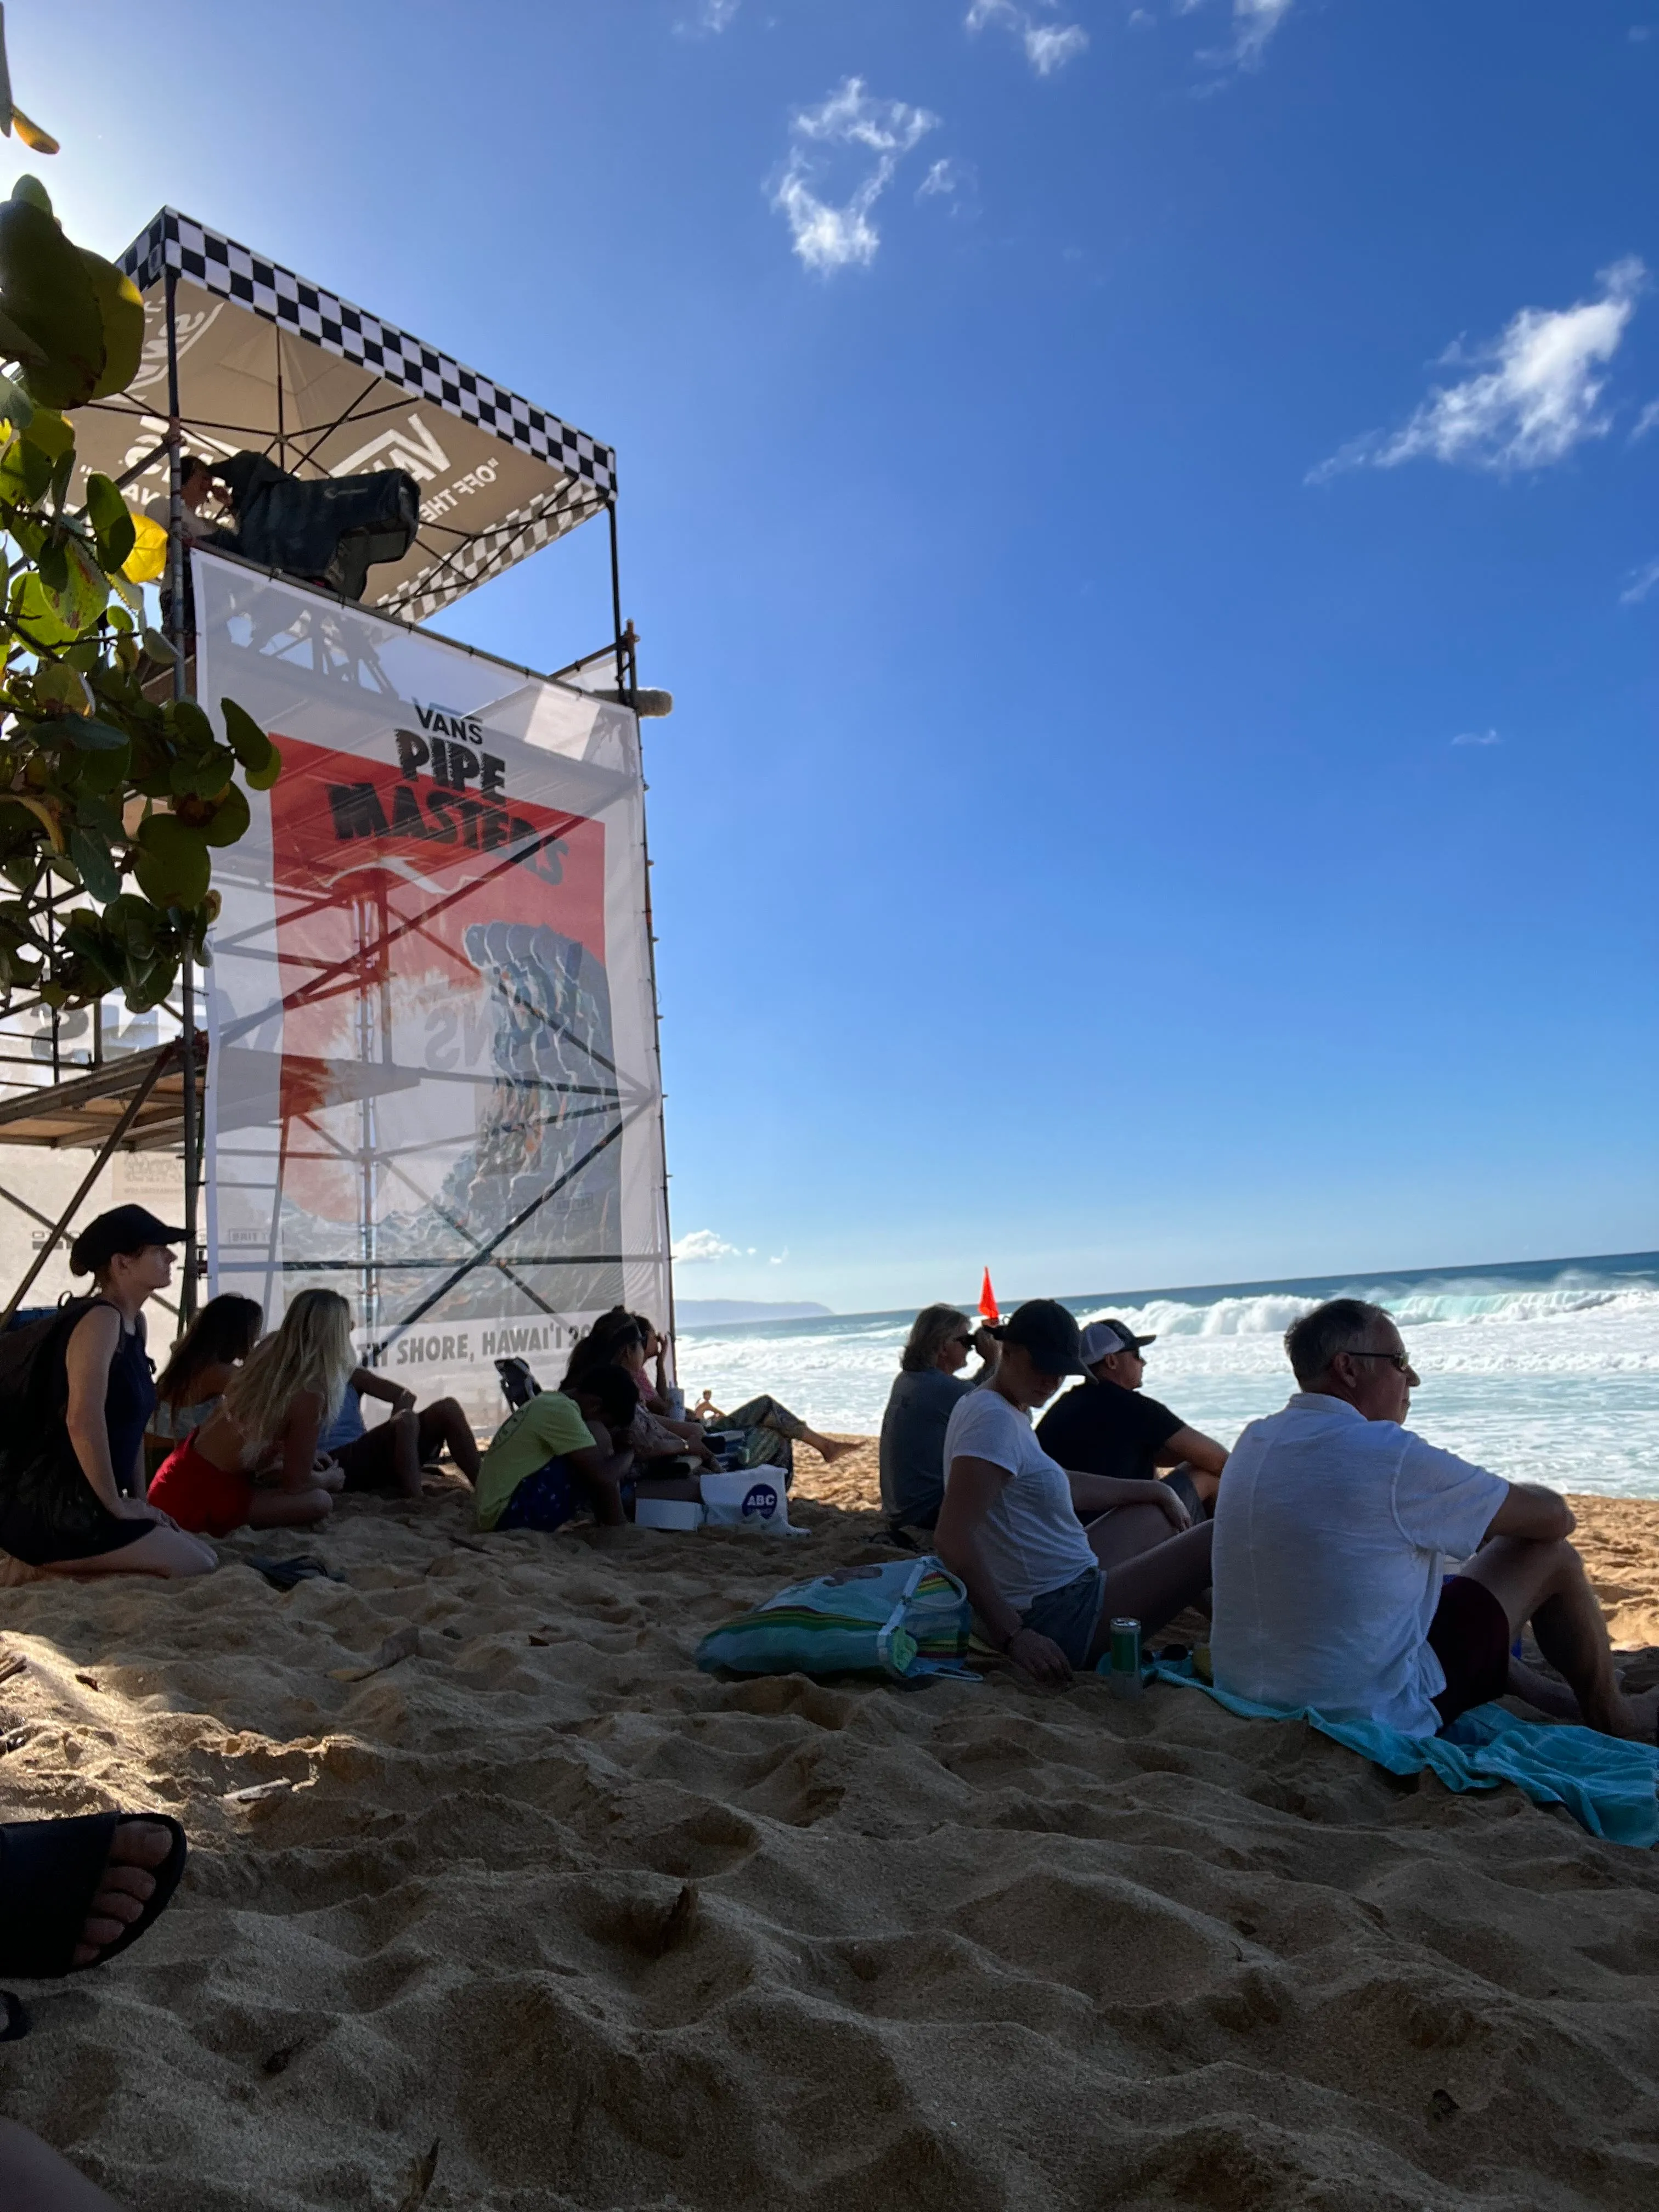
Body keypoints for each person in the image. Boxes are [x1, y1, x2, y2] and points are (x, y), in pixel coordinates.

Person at [1210, 1298, 1659, 1741]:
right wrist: (1501, 1515)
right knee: (1549, 1555)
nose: (1414, 1378)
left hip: (1248, 1696)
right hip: (1367, 1713)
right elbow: (1556, 1519)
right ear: (1348, 1368)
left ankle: (1553, 1696)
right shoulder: (1390, 1455)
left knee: (1429, 1584)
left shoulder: (1255, 1440)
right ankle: (1615, 1716)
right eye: (1400, 1361)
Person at [935, 1300, 1216, 1686]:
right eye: (1043, 1366)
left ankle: (1228, 1627)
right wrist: (1015, 1636)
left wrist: (1150, 1489)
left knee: (1169, 1504)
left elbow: (1059, 1484)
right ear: (1008, 1351)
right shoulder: (992, 1421)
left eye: (1062, 1372)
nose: (1051, 1382)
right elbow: (952, 1538)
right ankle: (1256, 1640)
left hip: (1068, 1581)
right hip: (1059, 1616)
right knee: (1215, 1536)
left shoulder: (1003, 1405)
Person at [0, 1206, 216, 1578]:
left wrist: (139, 1502)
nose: (172, 1256)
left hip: (95, 1501)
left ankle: (55, 1567)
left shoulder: (135, 1323)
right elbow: (82, 1420)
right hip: (59, 1507)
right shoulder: (100, 1320)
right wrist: (117, 1505)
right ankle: (36, 1566)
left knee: (204, 1557)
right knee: (193, 1564)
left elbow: (131, 1427)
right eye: (158, 1249)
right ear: (122, 1263)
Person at [148, 1289, 351, 1535]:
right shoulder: (310, 1391)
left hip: (177, 1474)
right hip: (201, 1495)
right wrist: (329, 1479)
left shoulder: (270, 1350)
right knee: (320, 1501)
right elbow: (296, 1485)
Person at [1036, 1320, 1229, 1519]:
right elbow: (1221, 1462)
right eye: (1136, 1355)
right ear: (1112, 1361)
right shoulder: (1132, 1407)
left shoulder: (1067, 1405)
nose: (1143, 1362)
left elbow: (1134, 1455)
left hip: (1062, 1530)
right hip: (1110, 1536)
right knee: (1208, 1475)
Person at [879, 1304, 998, 1536]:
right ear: (944, 1346)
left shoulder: (908, 1380)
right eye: (965, 1341)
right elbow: (990, 1402)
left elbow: (971, 1393)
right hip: (926, 1514)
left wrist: (991, 1363)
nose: (970, 1348)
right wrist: (994, 1361)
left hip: (901, 1510)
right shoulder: (940, 1388)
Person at [476, 1365, 640, 1532]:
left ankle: (611, 1521)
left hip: (494, 1511)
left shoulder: (551, 1401)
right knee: (598, 1436)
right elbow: (603, 1476)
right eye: (609, 1424)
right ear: (596, 1406)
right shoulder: (563, 1411)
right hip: (506, 1514)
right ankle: (616, 1526)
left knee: (589, 1452)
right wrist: (628, 1451)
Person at [318, 1367, 481, 1498]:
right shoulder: (301, 1378)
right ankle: (417, 1500)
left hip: (363, 1453)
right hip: (333, 1461)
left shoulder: (349, 1374)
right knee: (405, 1421)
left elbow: (405, 1396)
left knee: (448, 1408)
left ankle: (485, 1490)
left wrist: (400, 1438)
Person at [147, 1294, 264, 1449]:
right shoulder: (218, 1372)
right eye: (255, 1333)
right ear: (240, 1335)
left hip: (153, 1447)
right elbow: (265, 1399)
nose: (257, 1339)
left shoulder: (194, 1358)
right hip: (165, 1454)